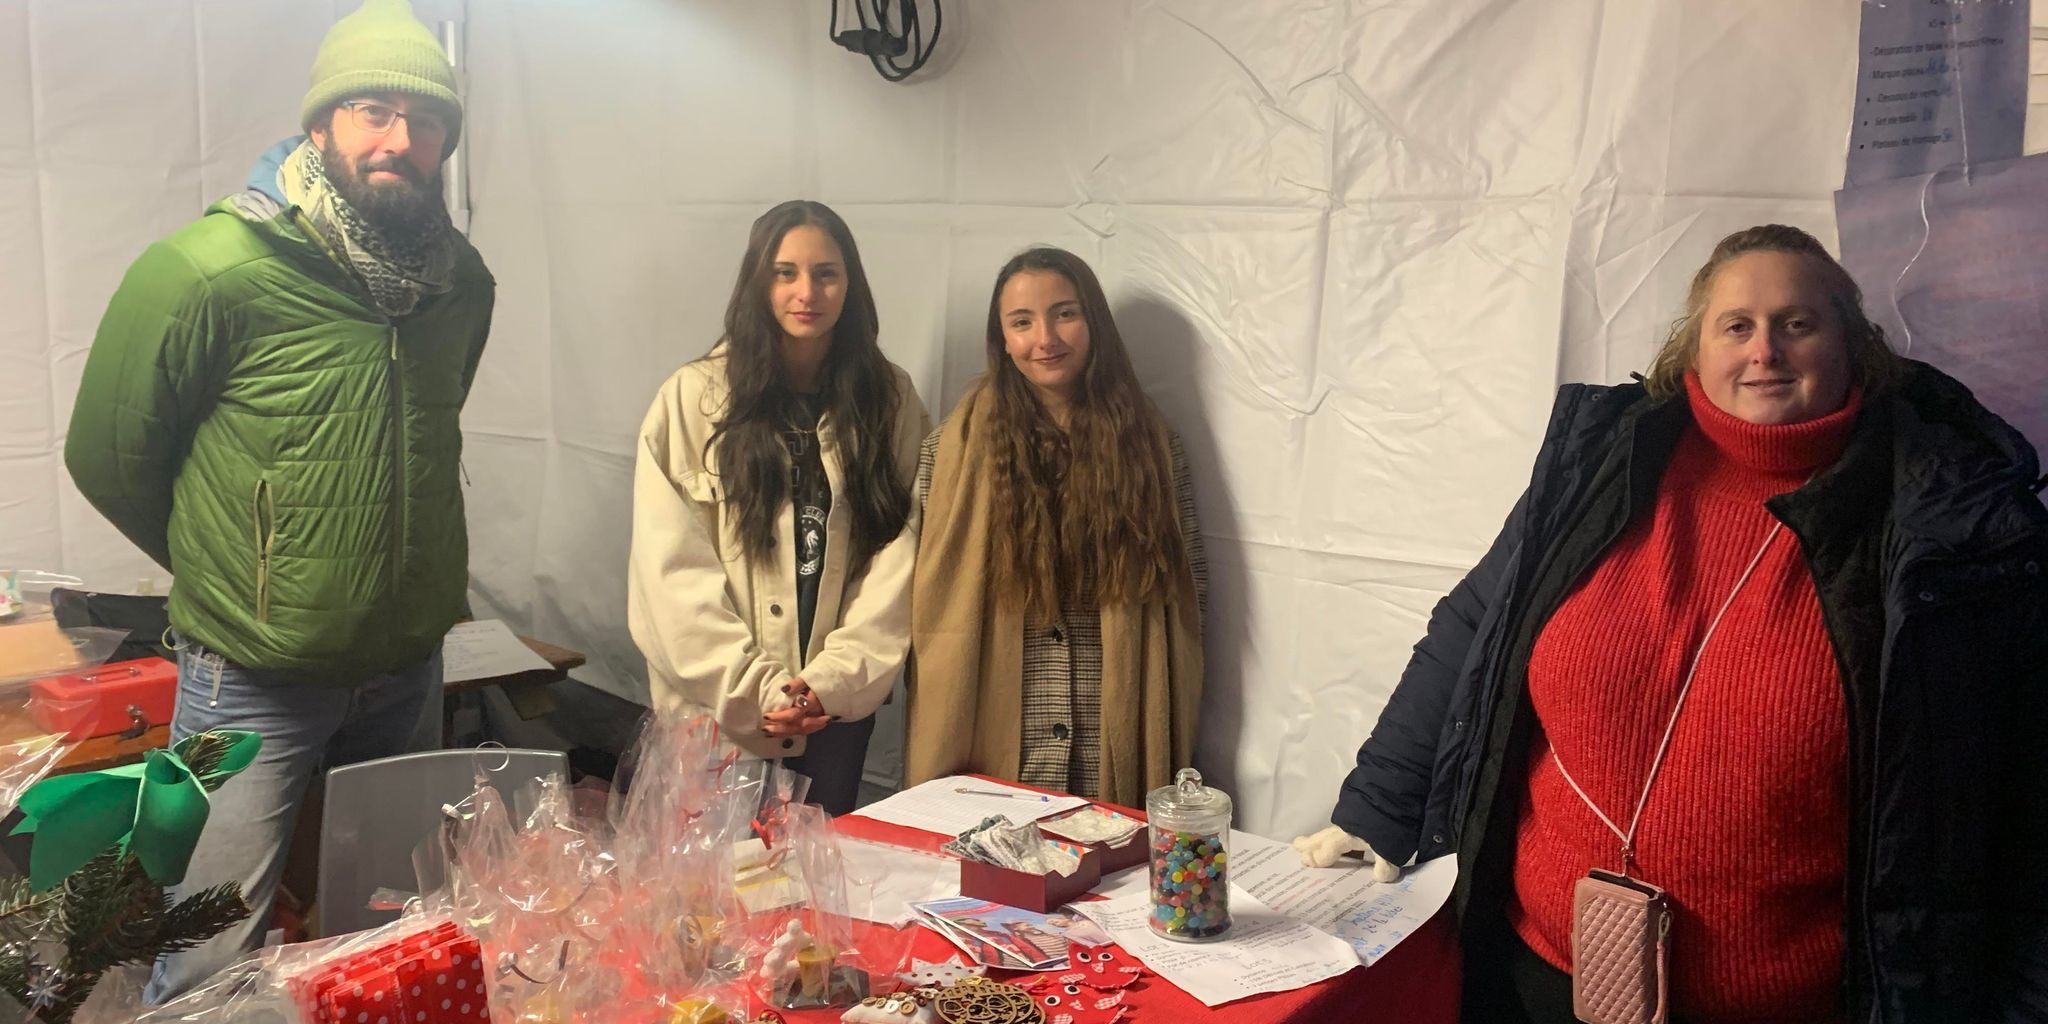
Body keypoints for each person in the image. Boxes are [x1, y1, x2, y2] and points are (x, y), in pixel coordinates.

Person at [1293, 224, 2048, 1022]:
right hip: (1535, 982)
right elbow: (1474, 626)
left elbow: (2021, 787)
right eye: (1737, 326)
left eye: (1797, 323)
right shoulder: (1601, 466)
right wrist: (1378, 808)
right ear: (1696, 349)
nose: (1765, 351)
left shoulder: (1951, 524)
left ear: (1854, 346)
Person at [63, 0, 493, 999]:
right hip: (246, 678)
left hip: (404, 669)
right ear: (318, 124)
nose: (399, 140)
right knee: (211, 956)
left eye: (423, 122)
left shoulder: (457, 286)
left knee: (386, 936)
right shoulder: (205, 272)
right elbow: (108, 454)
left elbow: (429, 430)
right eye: (372, 111)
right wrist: (240, 565)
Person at [629, 200, 927, 816]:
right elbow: (669, 574)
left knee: (816, 893)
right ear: (756, 282)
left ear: (851, 283)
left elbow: (901, 552)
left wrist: (831, 683)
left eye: (826, 273)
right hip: (717, 717)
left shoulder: (888, 400)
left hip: (834, 720)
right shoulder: (692, 399)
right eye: (784, 272)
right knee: (712, 898)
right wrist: (754, 688)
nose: (806, 291)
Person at [907, 246, 1206, 807]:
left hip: (1111, 718)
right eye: (1022, 322)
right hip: (995, 718)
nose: (1045, 338)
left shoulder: (1151, 443)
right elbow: (917, 586)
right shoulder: (954, 446)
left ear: (1093, 320)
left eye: (1064, 313)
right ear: (1002, 338)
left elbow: (1190, 594)